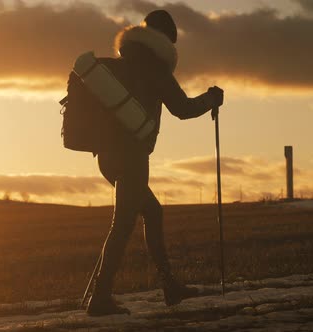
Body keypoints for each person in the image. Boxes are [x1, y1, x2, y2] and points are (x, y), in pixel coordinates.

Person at [86, 10, 224, 316]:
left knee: (150, 210)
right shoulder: (155, 68)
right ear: (164, 40)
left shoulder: (122, 63)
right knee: (122, 224)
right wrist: (211, 100)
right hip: (132, 155)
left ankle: (169, 286)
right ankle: (101, 298)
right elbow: (183, 109)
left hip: (107, 157)